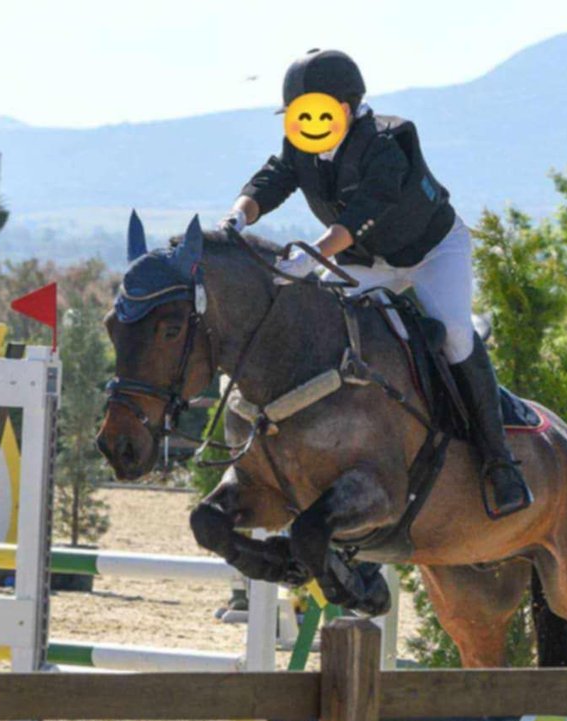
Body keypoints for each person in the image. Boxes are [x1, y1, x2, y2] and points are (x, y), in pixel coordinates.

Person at [219, 48, 531, 518]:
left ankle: (498, 461)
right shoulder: (303, 144)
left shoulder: (389, 142)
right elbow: (270, 180)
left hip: (431, 253)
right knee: (323, 332)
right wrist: (235, 220)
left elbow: (362, 212)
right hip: (365, 261)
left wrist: (314, 255)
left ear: (344, 109)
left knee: (453, 333)